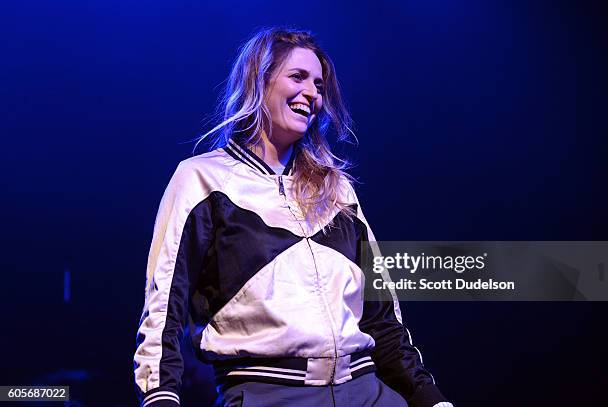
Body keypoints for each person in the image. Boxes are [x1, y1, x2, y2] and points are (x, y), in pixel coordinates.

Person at [134, 27, 453, 407]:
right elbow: (165, 305)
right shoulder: (202, 180)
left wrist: (429, 398)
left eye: (318, 85)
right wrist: (160, 397)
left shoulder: (337, 190)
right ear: (259, 80)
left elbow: (382, 317)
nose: (312, 94)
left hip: (368, 391)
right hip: (268, 395)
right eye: (298, 77)